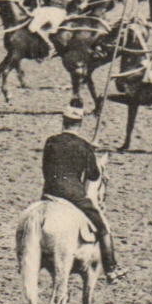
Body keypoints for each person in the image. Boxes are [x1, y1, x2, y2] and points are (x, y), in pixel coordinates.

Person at [41, 99, 125, 282]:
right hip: (73, 194)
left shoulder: (51, 141)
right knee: (103, 227)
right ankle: (111, 268)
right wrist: (90, 153)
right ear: (79, 123)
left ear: (63, 121)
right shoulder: (83, 145)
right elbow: (94, 176)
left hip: (48, 192)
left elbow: (45, 170)